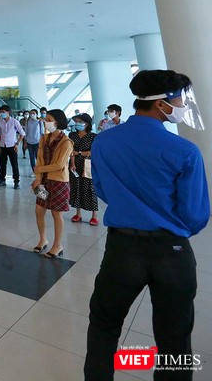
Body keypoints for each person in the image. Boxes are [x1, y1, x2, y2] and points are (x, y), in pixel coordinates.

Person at [84, 70, 209, 380]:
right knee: (174, 337)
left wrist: (129, 204)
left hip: (122, 249)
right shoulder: (184, 151)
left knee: (104, 325)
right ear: (161, 104)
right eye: (179, 100)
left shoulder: (104, 142)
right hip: (171, 251)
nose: (181, 106)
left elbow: (101, 188)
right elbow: (195, 215)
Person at [31, 109, 72, 258]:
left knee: (56, 213)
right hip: (43, 180)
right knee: (39, 210)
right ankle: (43, 239)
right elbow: (40, 158)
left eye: (49, 119)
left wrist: (39, 169)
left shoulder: (66, 142)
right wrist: (38, 177)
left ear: (58, 122)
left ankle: (57, 245)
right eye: (46, 119)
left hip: (59, 182)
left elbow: (59, 164)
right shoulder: (44, 138)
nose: (45, 122)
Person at [68, 113, 99, 226]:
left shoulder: (92, 136)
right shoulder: (72, 135)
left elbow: (93, 152)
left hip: (87, 165)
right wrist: (72, 163)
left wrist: (79, 153)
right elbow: (70, 150)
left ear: (87, 124)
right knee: (76, 187)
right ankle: (78, 213)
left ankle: (94, 215)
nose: (78, 124)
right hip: (74, 164)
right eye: (76, 122)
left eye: (80, 122)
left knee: (90, 188)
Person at [0, 105, 25, 189]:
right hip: (2, 146)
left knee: (14, 165)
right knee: (2, 165)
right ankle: (2, 180)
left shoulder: (14, 121)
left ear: (8, 112)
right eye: (1, 112)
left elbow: (22, 134)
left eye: (3, 112)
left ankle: (16, 182)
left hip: (12, 146)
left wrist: (17, 143)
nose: (2, 114)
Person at [24, 108, 44, 176]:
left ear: (36, 114)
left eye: (33, 113)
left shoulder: (39, 122)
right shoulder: (27, 122)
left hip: (37, 142)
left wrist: (42, 142)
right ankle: (34, 171)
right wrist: (25, 142)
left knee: (38, 157)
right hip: (29, 142)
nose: (32, 114)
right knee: (31, 157)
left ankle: (39, 171)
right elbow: (26, 132)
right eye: (31, 113)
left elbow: (42, 133)